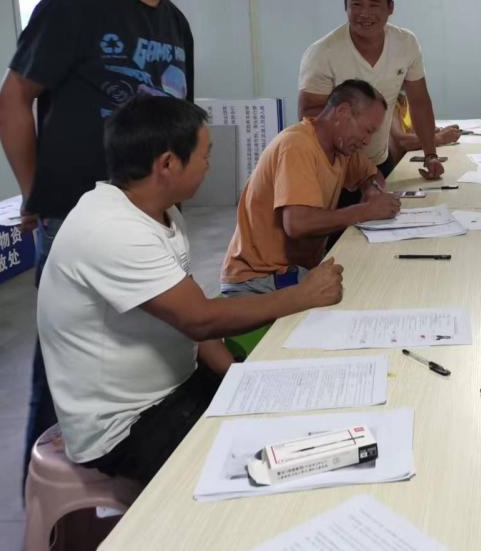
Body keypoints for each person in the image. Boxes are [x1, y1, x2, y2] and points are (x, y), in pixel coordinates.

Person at [0, 0, 219, 482]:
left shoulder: (174, 25)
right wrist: (37, 193)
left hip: (146, 214)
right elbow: (13, 100)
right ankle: (48, 500)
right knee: (70, 368)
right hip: (78, 214)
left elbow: (179, 121)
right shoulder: (78, 3)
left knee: (151, 346)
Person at [36, 95, 343, 483]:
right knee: (267, 465)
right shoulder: (111, 229)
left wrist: (235, 375)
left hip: (179, 386)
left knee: (294, 401)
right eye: (205, 155)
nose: (209, 165)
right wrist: (300, 296)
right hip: (128, 425)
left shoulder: (162, 212)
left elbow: (191, 313)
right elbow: (199, 319)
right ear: (168, 164)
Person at [222, 79, 401, 297]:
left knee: (375, 277)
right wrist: (364, 211)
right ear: (342, 112)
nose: (367, 141)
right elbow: (298, 223)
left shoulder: (341, 149)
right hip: (259, 279)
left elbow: (371, 174)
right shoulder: (297, 145)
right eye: (367, 130)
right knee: (365, 292)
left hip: (295, 270)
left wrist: (372, 190)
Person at [297, 0, 445, 186]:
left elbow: (420, 102)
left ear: (390, 7)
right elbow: (310, 116)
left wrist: (430, 154)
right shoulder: (322, 53)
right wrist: (353, 165)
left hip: (380, 161)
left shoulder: (406, 44)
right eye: (356, 4)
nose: (364, 14)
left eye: (374, 4)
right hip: (335, 169)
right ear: (345, 6)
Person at [388, 91, 460, 167]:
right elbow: (401, 141)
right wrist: (440, 137)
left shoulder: (406, 101)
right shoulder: (390, 103)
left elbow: (413, 132)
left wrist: (440, 132)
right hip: (395, 167)